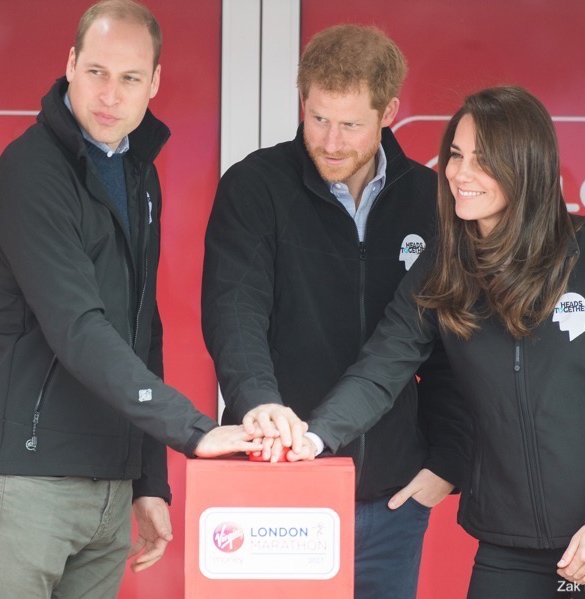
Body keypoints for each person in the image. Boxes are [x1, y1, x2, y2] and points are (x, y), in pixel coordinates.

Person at [285, 86, 585, 598]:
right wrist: (312, 439)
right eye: (455, 155)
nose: (459, 174)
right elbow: (380, 368)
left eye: (484, 160)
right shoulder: (442, 268)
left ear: (526, 167)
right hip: (505, 551)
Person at [0, 2, 261, 597]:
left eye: (129, 78)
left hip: (108, 488)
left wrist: (148, 480)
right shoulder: (31, 172)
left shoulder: (137, 171)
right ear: (70, 64)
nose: (109, 95)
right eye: (96, 72)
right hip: (24, 481)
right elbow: (78, 328)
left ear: (155, 83)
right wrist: (191, 431)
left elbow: (141, 330)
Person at [201, 24, 470, 599]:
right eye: (318, 117)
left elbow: (450, 347)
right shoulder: (255, 186)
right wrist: (260, 407)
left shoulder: (432, 202)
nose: (329, 141)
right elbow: (235, 315)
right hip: (279, 488)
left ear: (388, 112)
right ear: (303, 101)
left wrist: (444, 463)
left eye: (350, 124)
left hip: (392, 502)